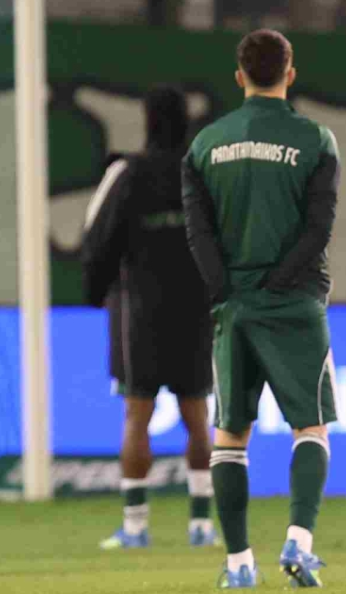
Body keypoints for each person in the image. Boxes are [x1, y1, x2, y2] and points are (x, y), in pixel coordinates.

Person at [182, 29, 340, 589]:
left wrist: (225, 289)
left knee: (231, 435)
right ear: (290, 74)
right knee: (310, 427)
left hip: (235, 307)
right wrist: (280, 282)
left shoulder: (205, 145)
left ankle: (238, 565)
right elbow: (319, 227)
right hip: (295, 302)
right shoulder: (315, 140)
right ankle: (299, 542)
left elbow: (197, 232)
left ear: (239, 76)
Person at [80, 88, 217, 550]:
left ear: (147, 121)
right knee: (197, 415)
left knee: (137, 415)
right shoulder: (201, 174)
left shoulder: (128, 173)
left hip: (141, 311)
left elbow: (97, 237)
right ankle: (201, 525)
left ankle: (136, 527)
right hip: (195, 309)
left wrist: (94, 293)